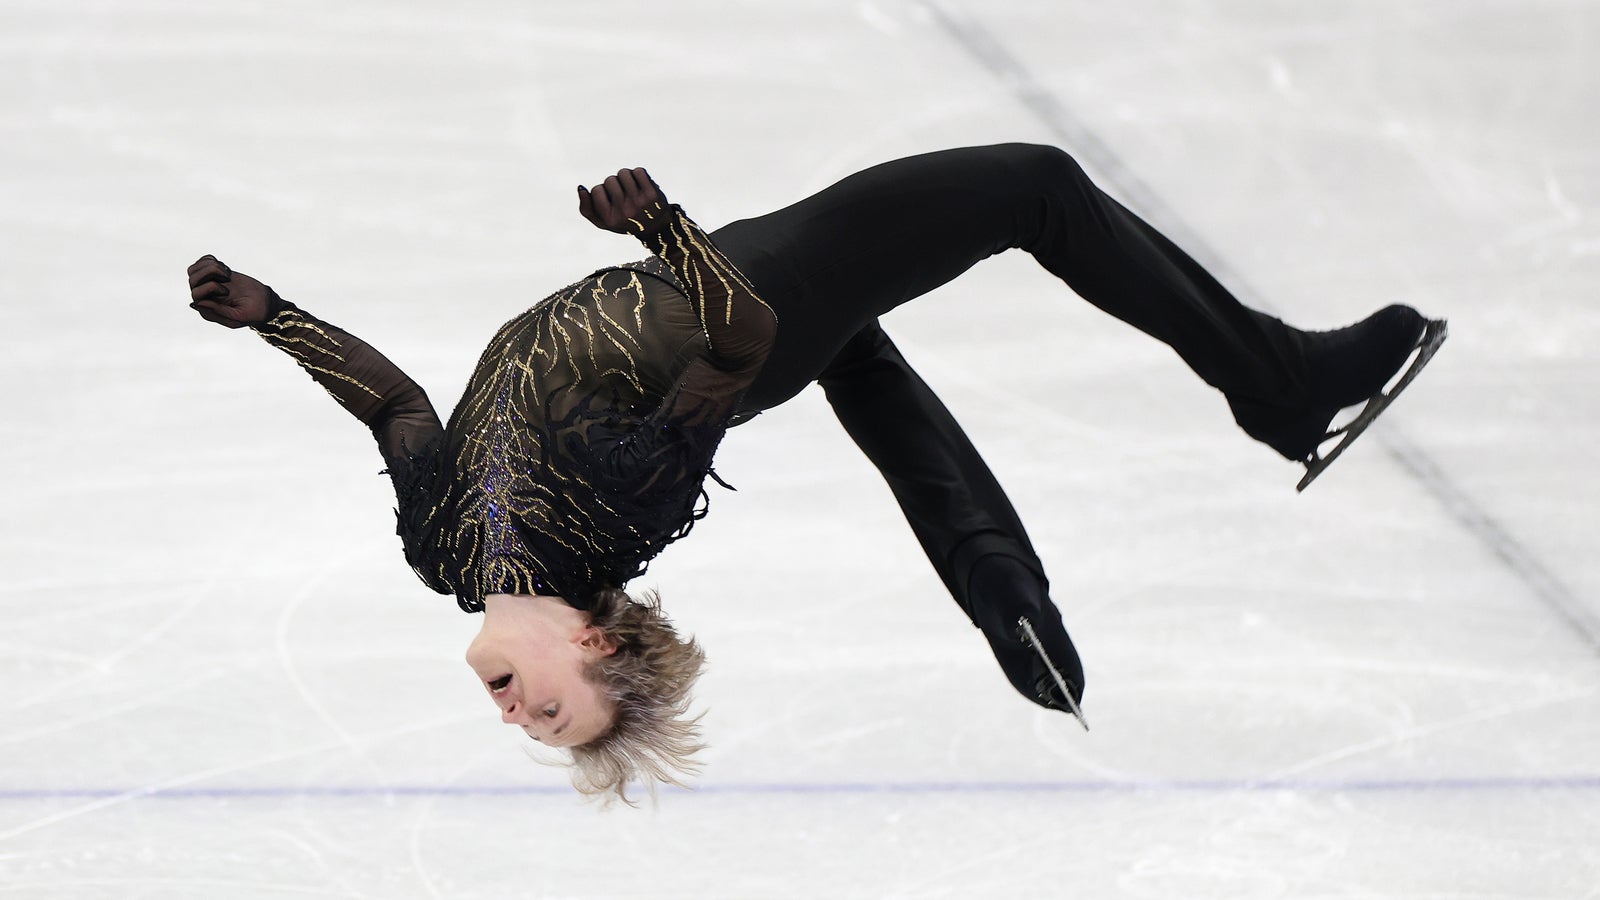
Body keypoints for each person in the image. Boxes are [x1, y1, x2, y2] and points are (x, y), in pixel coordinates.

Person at [186, 143, 1444, 803]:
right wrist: (662, 226)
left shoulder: (442, 555)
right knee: (1033, 189)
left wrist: (272, 313)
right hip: (751, 292)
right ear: (602, 650)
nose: (516, 713)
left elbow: (398, 404)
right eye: (555, 715)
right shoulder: (619, 509)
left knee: (875, 354)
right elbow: (742, 341)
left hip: (721, 271)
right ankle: (1277, 383)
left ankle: (999, 580)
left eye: (528, 723)